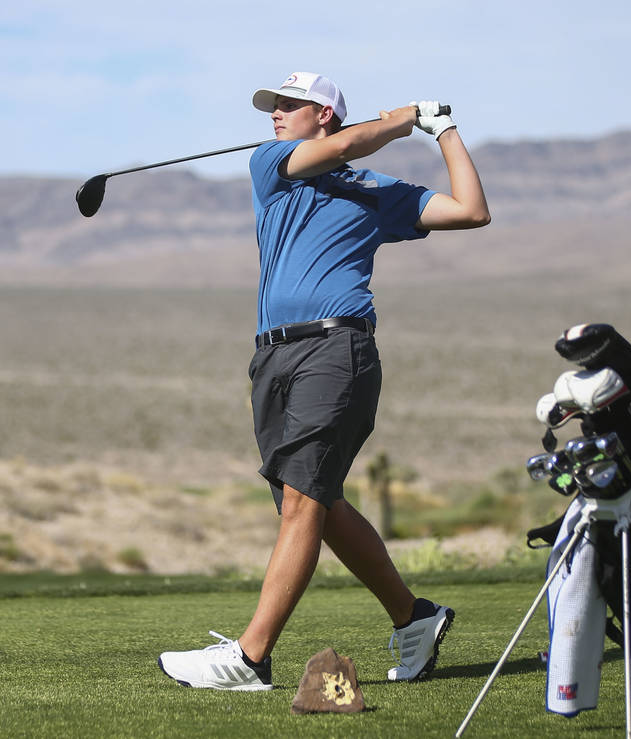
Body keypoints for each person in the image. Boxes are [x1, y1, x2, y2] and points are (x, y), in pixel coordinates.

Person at [158, 72, 490, 691]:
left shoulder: (375, 190)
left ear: (326, 114)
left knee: (306, 500)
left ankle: (250, 657)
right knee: (309, 500)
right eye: (274, 106)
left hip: (337, 349)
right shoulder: (272, 165)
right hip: (271, 357)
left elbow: (472, 210)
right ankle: (414, 617)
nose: (276, 114)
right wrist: (405, 116)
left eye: (290, 105)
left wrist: (442, 130)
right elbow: (341, 150)